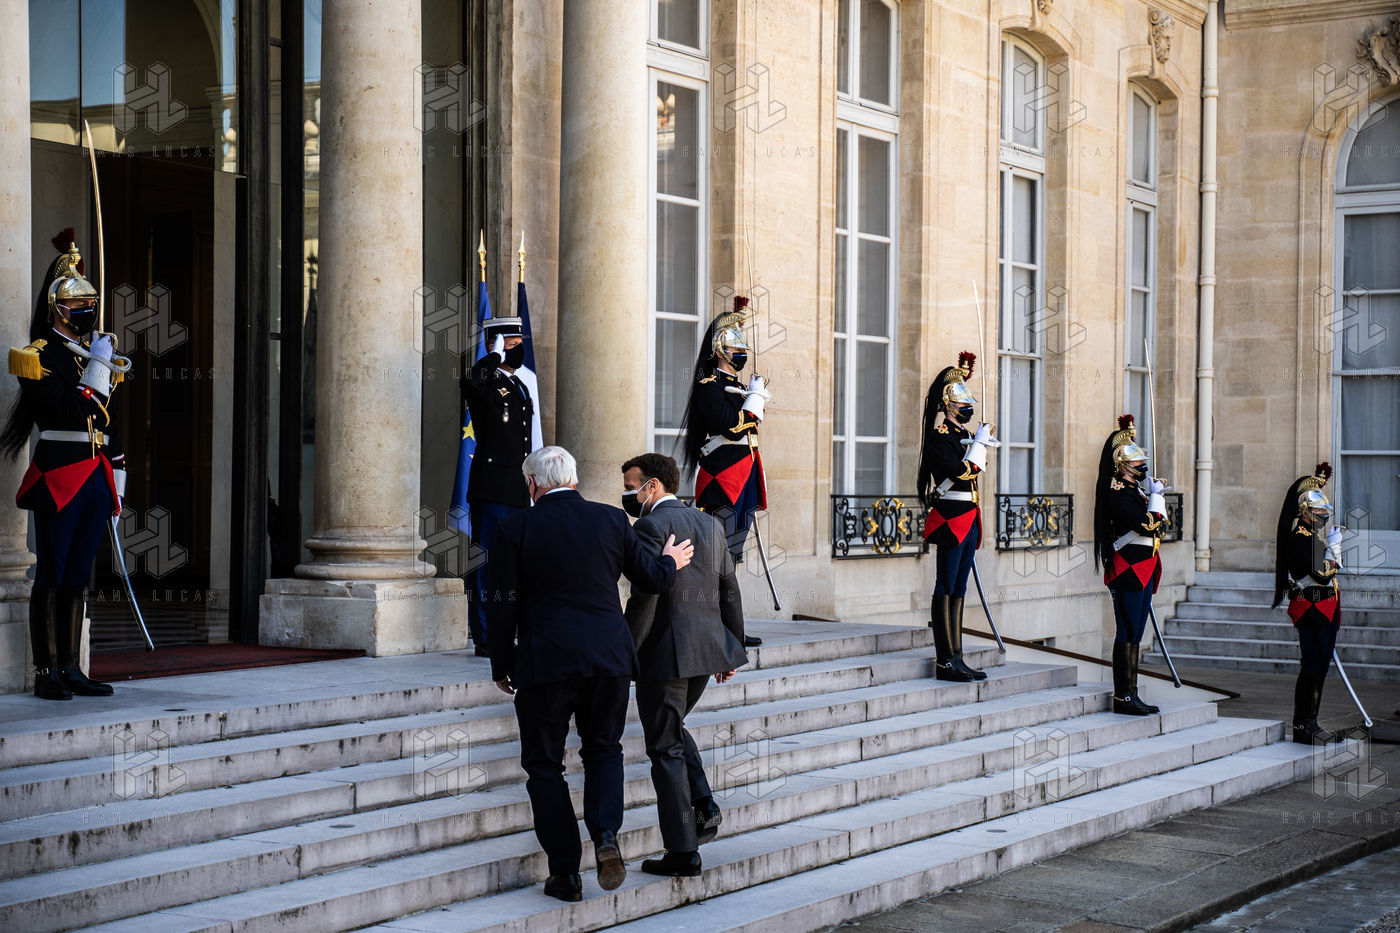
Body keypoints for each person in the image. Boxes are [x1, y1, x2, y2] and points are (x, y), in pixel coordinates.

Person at [487, 446, 694, 902]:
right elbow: (651, 579)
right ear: (574, 481)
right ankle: (605, 837)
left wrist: (501, 663)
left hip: (545, 663)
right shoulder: (611, 520)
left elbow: (501, 604)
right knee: (603, 751)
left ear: (532, 484)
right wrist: (669, 561)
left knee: (544, 766)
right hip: (608, 660)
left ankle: (565, 873)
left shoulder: (514, 527)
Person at [1, 234, 125, 700]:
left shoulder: (95, 352)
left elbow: (110, 423)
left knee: (78, 573)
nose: (87, 310)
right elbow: (71, 411)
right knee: (51, 573)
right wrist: (99, 367)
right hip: (59, 475)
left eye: (91, 303)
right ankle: (45, 671)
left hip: (94, 475)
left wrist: (118, 477)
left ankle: (72, 666)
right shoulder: (37, 356)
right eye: (78, 303)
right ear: (57, 308)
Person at [620, 452, 748, 878]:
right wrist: (731, 646)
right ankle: (704, 805)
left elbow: (645, 597)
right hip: (705, 651)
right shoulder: (710, 523)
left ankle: (683, 851)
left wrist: (625, 652)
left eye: (631, 486)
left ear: (652, 486)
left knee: (665, 747)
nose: (628, 494)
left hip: (664, 655)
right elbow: (729, 588)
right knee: (673, 729)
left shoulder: (650, 526)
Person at [680, 295, 771, 647]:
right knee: (718, 555)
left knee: (732, 554)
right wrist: (756, 399)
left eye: (742, 347)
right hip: (722, 479)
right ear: (720, 350)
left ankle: (731, 627)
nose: (741, 353)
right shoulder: (709, 387)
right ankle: (716, 625)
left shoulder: (740, 388)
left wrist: (753, 395)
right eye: (735, 347)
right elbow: (732, 427)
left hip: (744, 475)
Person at [915, 352, 998, 682]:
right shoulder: (940, 436)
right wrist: (978, 446)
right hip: (951, 518)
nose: (967, 408)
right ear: (949, 406)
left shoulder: (962, 436)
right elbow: (962, 473)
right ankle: (945, 661)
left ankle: (958, 657)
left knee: (960, 587)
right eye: (962, 403)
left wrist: (977, 442)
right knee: (946, 584)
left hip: (969, 517)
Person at [461, 315, 535, 656]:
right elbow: (470, 383)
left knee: (513, 564)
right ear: (497, 344)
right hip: (492, 488)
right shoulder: (486, 381)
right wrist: (492, 356)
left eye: (519, 344)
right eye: (512, 345)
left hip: (518, 487)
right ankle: (486, 636)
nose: (518, 350)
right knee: (488, 561)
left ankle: (509, 630)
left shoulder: (518, 385)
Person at [1093, 414, 1169, 716]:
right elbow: (1146, 524)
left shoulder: (1135, 492)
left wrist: (1153, 498)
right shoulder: (1117, 495)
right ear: (1122, 466)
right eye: (1136, 462)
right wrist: (1156, 500)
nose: (1141, 466)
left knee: (1136, 632)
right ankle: (1123, 696)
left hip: (1143, 567)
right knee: (1126, 632)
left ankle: (1131, 693)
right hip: (1128, 570)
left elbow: (1159, 527)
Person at [1272, 462, 1342, 745]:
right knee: (1313, 665)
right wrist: (1335, 550)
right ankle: (1303, 725)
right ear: (1304, 512)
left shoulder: (1311, 537)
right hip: (1313, 607)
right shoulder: (1300, 538)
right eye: (1317, 512)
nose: (1322, 516)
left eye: (1324, 512)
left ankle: (1310, 722)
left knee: (1319, 666)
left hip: (1322, 607)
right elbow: (1323, 574)